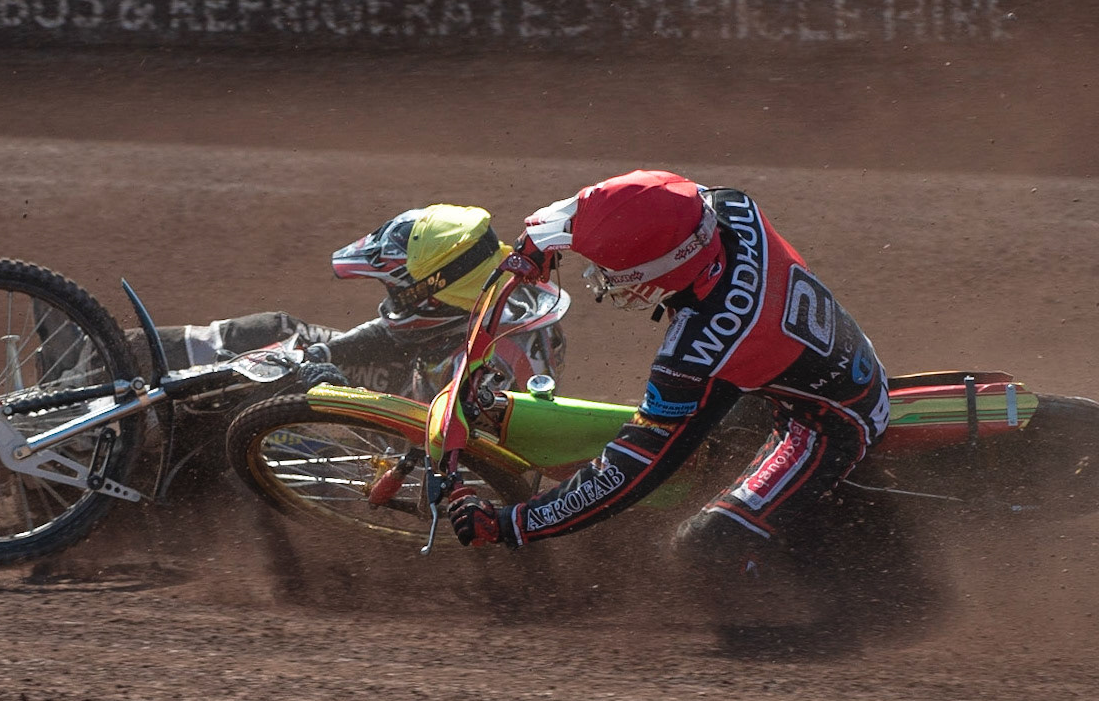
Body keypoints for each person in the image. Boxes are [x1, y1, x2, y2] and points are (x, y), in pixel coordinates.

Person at [445, 171, 892, 651]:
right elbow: (633, 200)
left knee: (705, 546)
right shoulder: (728, 207)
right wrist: (540, 240)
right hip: (805, 367)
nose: (603, 280)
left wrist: (516, 524)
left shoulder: (701, 348)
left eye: (615, 273)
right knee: (701, 456)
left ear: (665, 270)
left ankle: (819, 630)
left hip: (827, 422)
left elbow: (632, 468)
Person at [150, 203, 566, 400]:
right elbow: (397, 335)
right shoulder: (494, 299)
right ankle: (100, 351)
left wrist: (337, 391)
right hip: (420, 381)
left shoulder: (486, 370)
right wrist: (325, 352)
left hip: (407, 463)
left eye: (395, 290)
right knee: (273, 334)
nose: (392, 302)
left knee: (252, 401)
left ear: (431, 296)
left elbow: (431, 457)